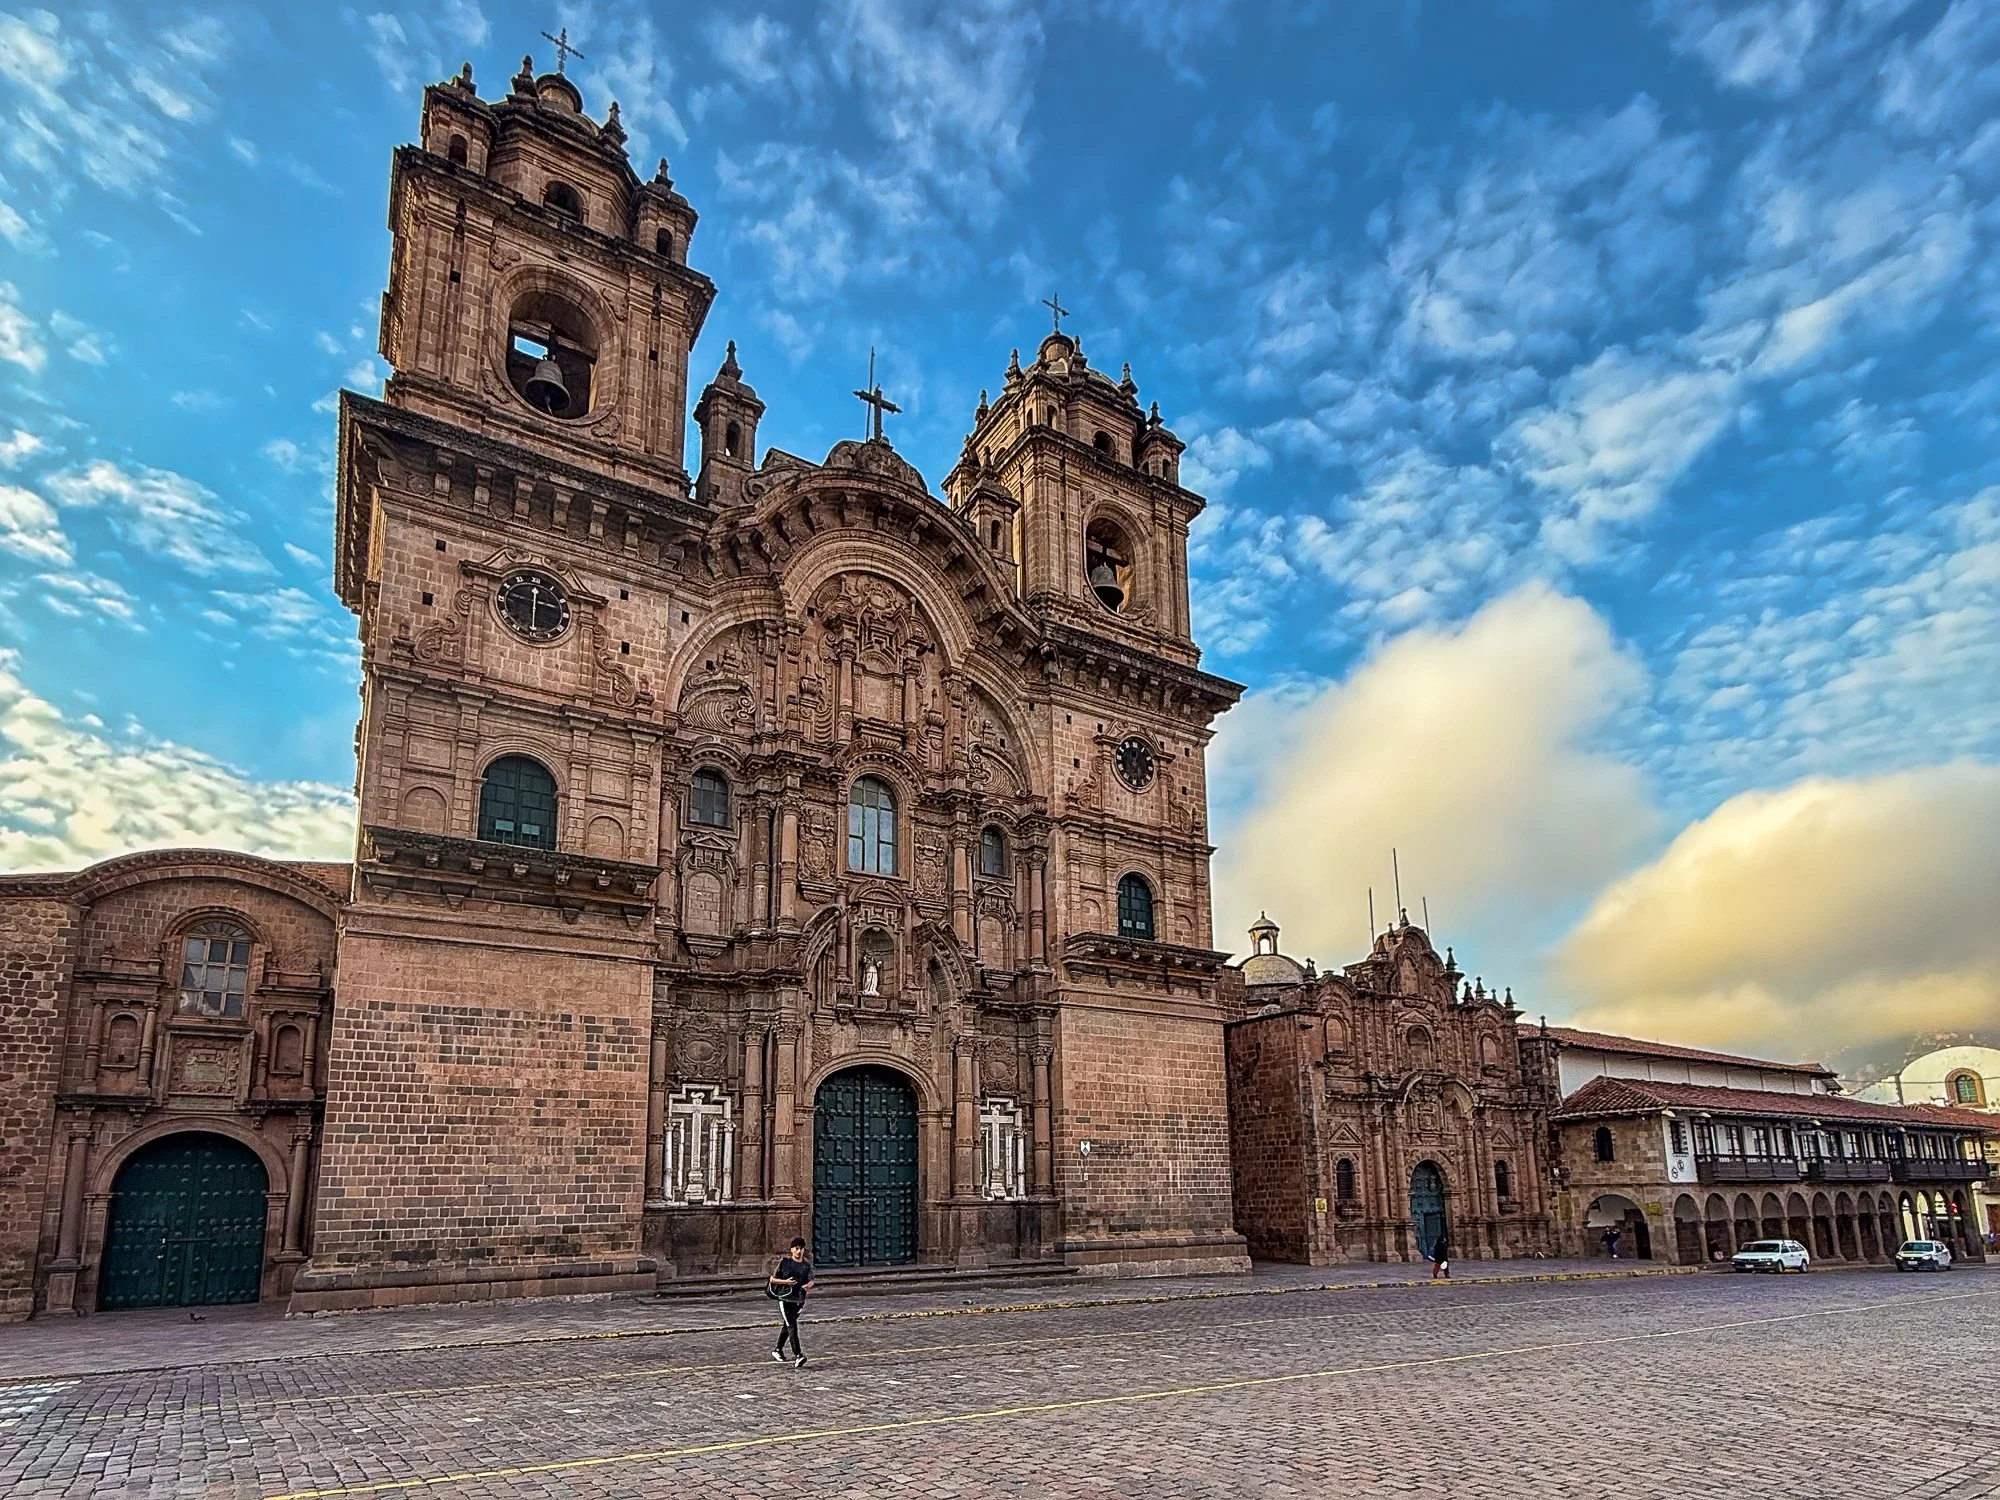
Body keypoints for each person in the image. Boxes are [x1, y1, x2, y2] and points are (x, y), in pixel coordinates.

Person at [769, 1236, 814, 1368]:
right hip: (785, 1298)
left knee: (788, 1325)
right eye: (796, 1248)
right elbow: (772, 1279)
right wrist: (786, 1282)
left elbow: (811, 1279)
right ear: (792, 1250)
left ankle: (778, 1349)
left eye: (801, 1248)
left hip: (799, 1299)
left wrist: (809, 1285)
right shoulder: (785, 1263)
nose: (799, 1251)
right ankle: (798, 1355)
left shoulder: (806, 1266)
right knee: (792, 1326)